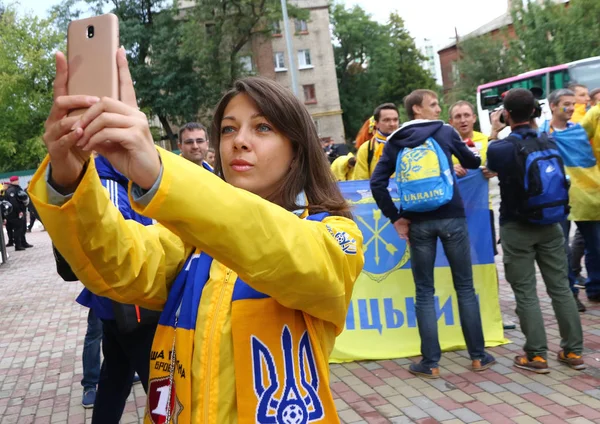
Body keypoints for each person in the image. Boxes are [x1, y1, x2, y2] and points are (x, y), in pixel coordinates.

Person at [30, 48, 364, 423]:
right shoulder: (190, 241)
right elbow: (117, 265)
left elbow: (281, 248)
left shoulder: (334, 235)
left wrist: (158, 172)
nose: (239, 141)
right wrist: (69, 176)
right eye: (228, 128)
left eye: (263, 127)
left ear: (297, 149)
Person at [371, 89, 495, 378]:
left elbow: (378, 183)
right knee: (464, 287)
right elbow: (474, 162)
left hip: (417, 223)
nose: (439, 109)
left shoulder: (395, 140)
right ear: (417, 108)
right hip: (451, 217)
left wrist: (396, 218)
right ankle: (477, 356)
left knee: (424, 292)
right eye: (433, 104)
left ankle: (431, 362)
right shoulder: (445, 132)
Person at [487, 88, 585, 373]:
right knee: (561, 289)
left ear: (506, 114)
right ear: (535, 112)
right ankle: (573, 351)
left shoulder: (503, 147)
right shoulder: (550, 142)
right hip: (552, 225)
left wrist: (495, 131)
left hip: (517, 227)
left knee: (526, 293)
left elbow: (491, 161)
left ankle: (537, 355)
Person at [540, 88, 600, 312]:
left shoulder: (580, 131)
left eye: (573, 104)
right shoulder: (543, 133)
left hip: (586, 196)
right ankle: (569, 294)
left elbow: (589, 159)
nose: (572, 108)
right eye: (566, 103)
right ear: (553, 106)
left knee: (596, 245)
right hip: (558, 198)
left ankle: (596, 288)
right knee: (561, 249)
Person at [353, 103, 400, 180]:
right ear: (376, 123)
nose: (392, 124)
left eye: (395, 120)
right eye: (386, 120)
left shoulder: (408, 144)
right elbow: (360, 182)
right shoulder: (366, 149)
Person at [3, 176, 32, 251]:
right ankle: (18, 245)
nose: (18, 181)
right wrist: (19, 211)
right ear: (13, 181)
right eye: (17, 180)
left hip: (20, 211)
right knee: (18, 229)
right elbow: (14, 202)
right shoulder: (11, 190)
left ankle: (23, 242)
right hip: (15, 213)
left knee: (22, 228)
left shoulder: (17, 188)